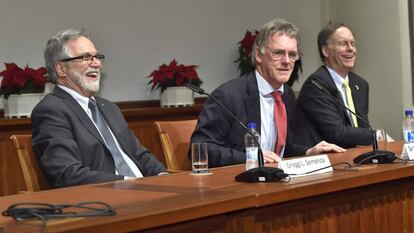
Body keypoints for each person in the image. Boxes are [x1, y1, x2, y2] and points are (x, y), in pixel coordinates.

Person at [190, 18, 345, 168]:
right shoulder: (228, 96)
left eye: (292, 54)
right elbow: (199, 148)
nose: (286, 61)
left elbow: (283, 150)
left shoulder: (287, 95)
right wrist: (250, 158)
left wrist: (308, 152)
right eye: (278, 53)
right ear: (258, 55)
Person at [32, 29, 167, 188]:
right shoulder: (51, 110)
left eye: (97, 57)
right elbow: (67, 173)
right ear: (61, 69)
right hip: (103, 200)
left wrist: (162, 175)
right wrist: (127, 183)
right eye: (86, 58)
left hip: (145, 191)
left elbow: (139, 155)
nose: (96, 63)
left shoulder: (109, 108)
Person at [294, 22, 372, 148]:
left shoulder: (360, 84)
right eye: (343, 44)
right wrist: (376, 135)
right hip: (329, 160)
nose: (350, 49)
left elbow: (363, 128)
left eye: (352, 43)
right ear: (325, 51)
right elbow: (337, 133)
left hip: (357, 158)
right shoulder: (315, 85)